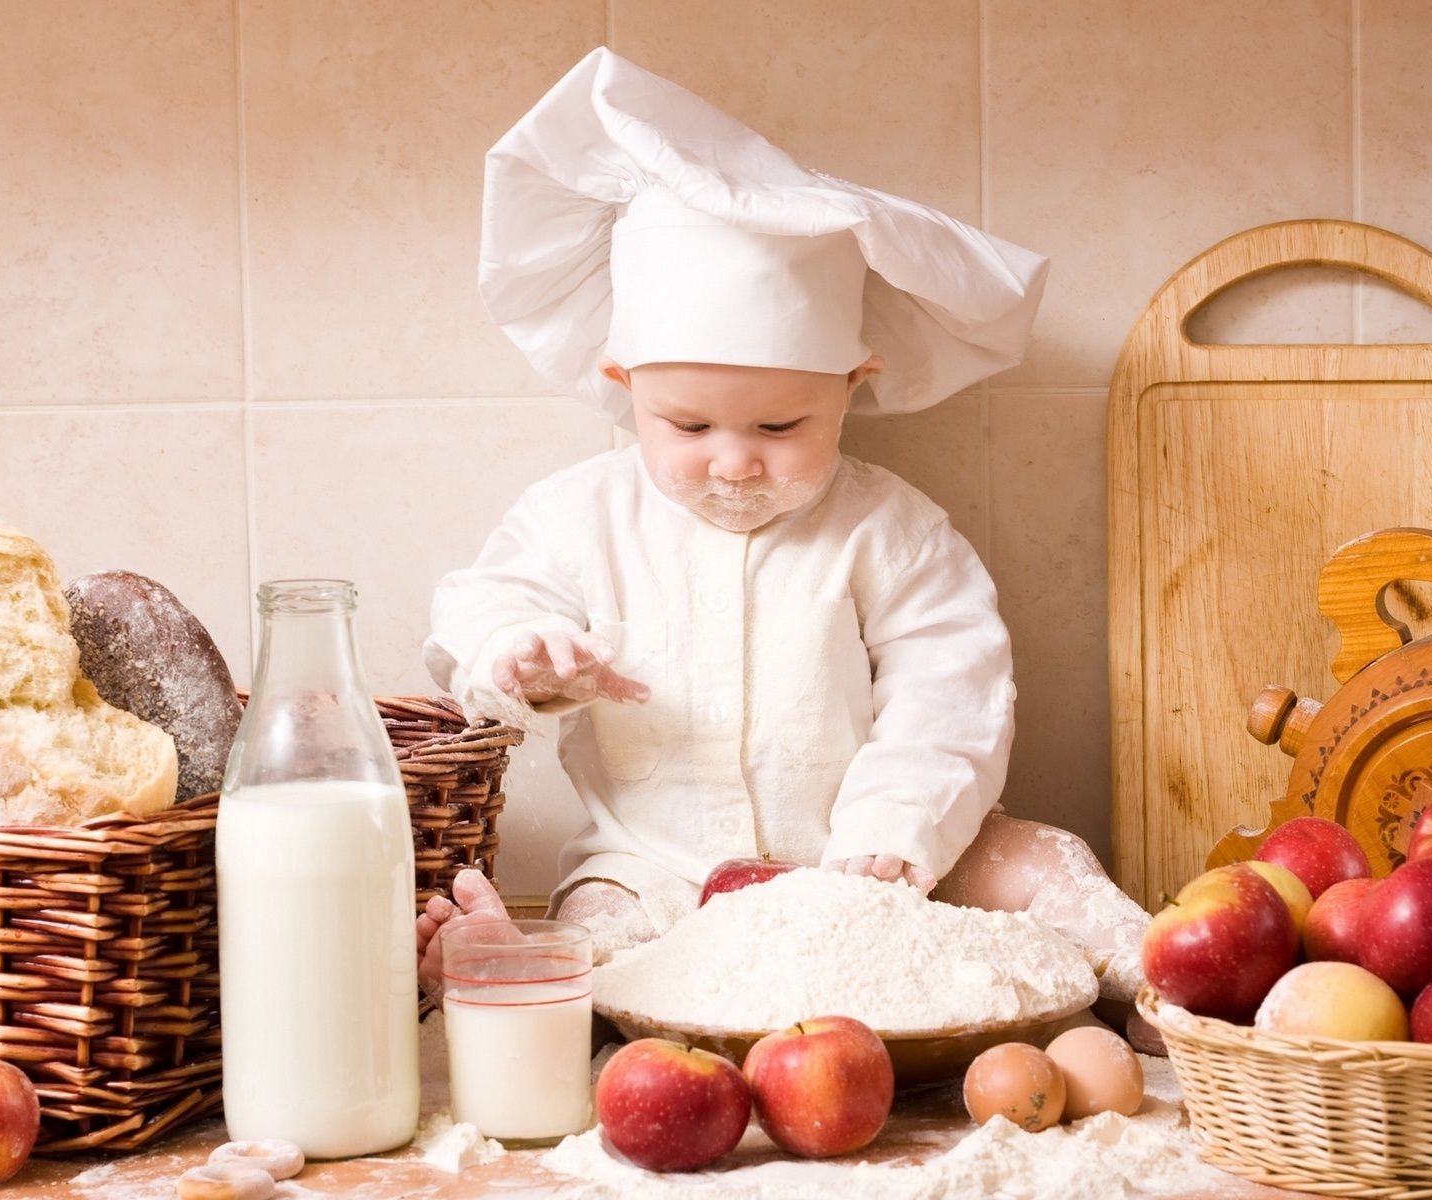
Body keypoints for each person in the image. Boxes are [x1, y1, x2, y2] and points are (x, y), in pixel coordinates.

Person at [414, 48, 1153, 1041]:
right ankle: (528, 972)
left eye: (778, 428)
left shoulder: (891, 531)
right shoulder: (574, 517)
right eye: (687, 426)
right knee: (603, 932)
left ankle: (1167, 984)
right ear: (622, 383)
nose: (732, 464)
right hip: (656, 867)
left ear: (854, 383)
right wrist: (522, 653)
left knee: (1042, 859)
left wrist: (891, 843)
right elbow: (480, 605)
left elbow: (953, 692)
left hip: (879, 864)